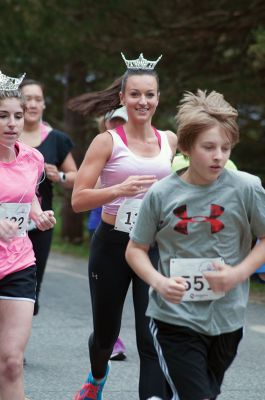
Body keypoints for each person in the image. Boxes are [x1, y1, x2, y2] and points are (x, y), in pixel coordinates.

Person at [125, 89, 265, 400]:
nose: (219, 156)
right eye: (209, 147)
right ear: (186, 147)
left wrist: (237, 274)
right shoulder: (161, 194)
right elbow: (135, 249)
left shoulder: (247, 188)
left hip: (228, 318)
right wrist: (159, 282)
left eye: (226, 148)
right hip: (174, 317)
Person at [68, 52, 178, 400]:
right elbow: (78, 199)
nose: (142, 101)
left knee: (151, 337)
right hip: (113, 244)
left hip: (153, 246)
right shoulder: (107, 142)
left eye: (149, 94)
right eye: (135, 94)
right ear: (122, 98)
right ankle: (97, 378)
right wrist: (117, 190)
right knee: (105, 335)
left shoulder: (170, 141)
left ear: (158, 98)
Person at [0, 70, 56, 400]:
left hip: (19, 265)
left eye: (17, 116)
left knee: (11, 363)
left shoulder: (33, 158)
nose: (12, 123)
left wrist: (37, 213)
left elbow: (28, 193)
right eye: (3, 116)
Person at [19, 79, 77, 315]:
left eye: (38, 99)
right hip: (7, 220)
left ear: (44, 104)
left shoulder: (57, 139)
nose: (32, 104)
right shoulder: (7, 133)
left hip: (40, 222)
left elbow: (76, 176)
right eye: (27, 99)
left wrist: (60, 176)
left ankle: (16, 349)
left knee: (31, 288)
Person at [87, 106, 128, 362]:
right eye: (113, 122)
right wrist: (116, 186)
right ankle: (111, 339)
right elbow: (84, 190)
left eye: (121, 122)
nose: (117, 127)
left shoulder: (151, 149)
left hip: (142, 235)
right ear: (105, 124)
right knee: (109, 304)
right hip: (105, 227)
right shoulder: (103, 148)